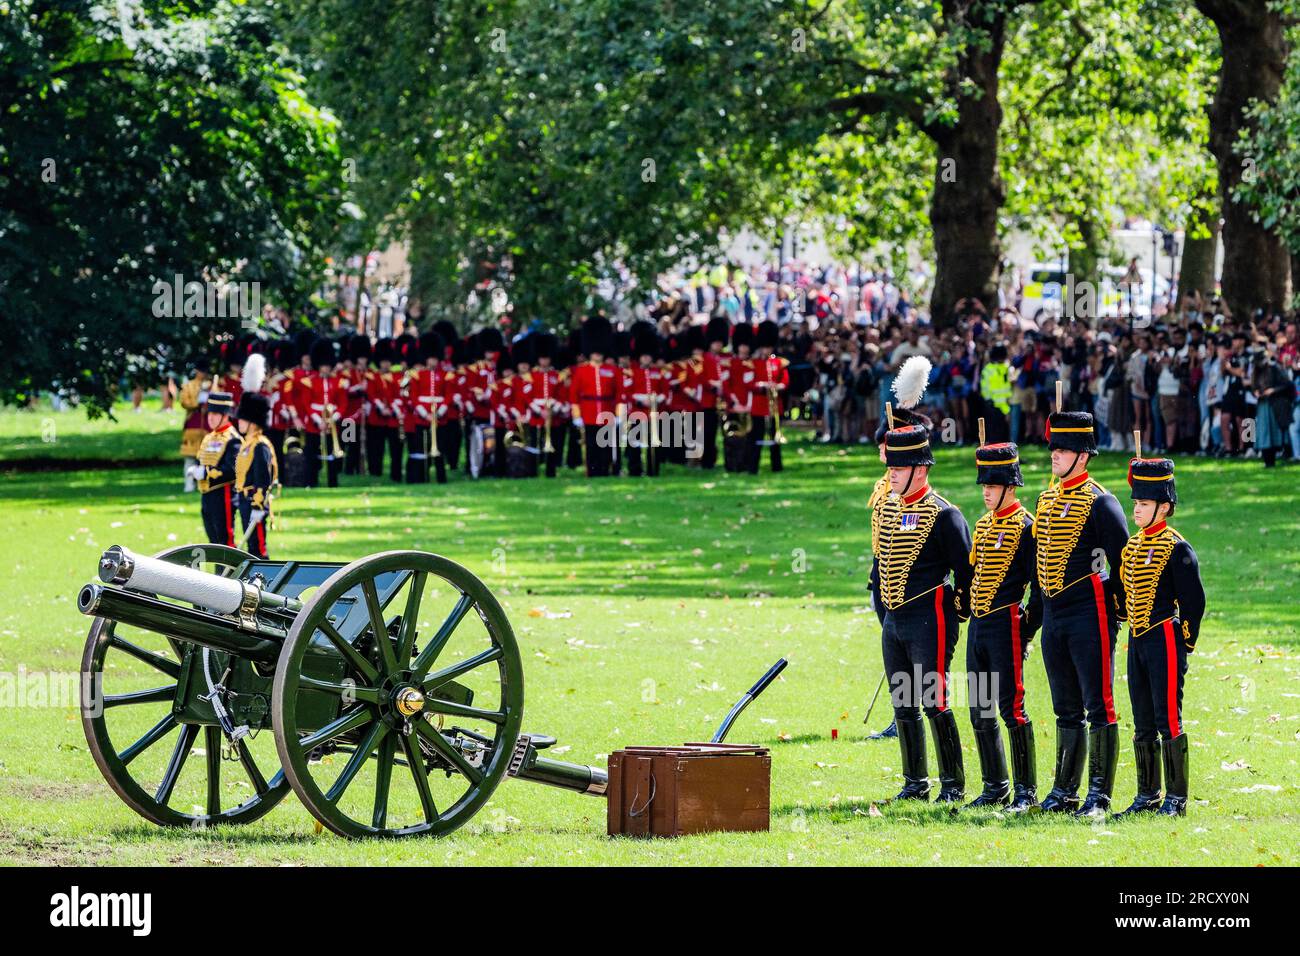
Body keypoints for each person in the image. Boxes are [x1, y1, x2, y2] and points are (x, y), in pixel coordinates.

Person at [1033, 408, 1129, 815]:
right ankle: (1064, 791)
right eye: (1054, 446)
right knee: (1064, 706)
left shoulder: (1101, 503)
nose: (1056, 454)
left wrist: (1116, 610)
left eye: (1065, 448)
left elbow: (1125, 563)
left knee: (1099, 706)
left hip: (1091, 615)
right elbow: (1039, 563)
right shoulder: (1045, 499)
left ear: (1084, 455)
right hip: (1054, 616)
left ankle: (1099, 795)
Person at [870, 423, 973, 803]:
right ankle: (915, 783)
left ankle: (952, 783)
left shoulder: (945, 514)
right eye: (891, 465)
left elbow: (966, 572)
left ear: (921, 469)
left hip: (931, 618)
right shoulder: (887, 508)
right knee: (903, 701)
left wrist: (957, 612)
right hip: (894, 618)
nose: (892, 472)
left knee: (935, 700)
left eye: (900, 466)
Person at [1114, 456, 1205, 818]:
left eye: (1145, 504)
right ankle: (1147, 795)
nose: (1137, 510)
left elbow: (1194, 602)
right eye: (1135, 503)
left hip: (1164, 637)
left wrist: (1183, 641)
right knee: (1142, 719)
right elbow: (1123, 590)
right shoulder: (1133, 545)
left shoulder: (1177, 547)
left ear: (1164, 507)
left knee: (1168, 717)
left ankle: (1176, 798)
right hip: (1137, 639)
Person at [966, 434, 1041, 809]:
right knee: (979, 708)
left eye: (993, 485)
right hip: (978, 627)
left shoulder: (1027, 526)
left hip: (1006, 624)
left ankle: (1026, 792)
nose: (986, 492)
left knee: (1012, 709)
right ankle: (994, 786)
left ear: (1010, 486)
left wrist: (1024, 631)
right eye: (984, 485)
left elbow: (1039, 589)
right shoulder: (982, 526)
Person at [233, 354, 278, 558]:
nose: (239, 423)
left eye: (243, 419)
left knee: (259, 549)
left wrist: (259, 504)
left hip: (254, 502)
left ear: (253, 421)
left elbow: (263, 478)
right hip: (244, 499)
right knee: (251, 548)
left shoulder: (260, 445)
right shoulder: (247, 444)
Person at [187, 389, 240, 546]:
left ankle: (229, 571)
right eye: (209, 413)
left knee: (225, 542)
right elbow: (201, 459)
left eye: (215, 414)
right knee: (213, 542)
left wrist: (205, 473)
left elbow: (232, 471)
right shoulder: (209, 437)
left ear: (225, 415)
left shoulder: (233, 440)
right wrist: (196, 469)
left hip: (224, 495)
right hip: (207, 494)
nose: (210, 417)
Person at [570, 316, 621, 477]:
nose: (597, 354)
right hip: (589, 412)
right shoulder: (581, 370)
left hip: (607, 412)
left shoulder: (613, 370)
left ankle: (605, 471)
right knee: (591, 446)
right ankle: (593, 472)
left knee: (605, 446)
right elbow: (574, 395)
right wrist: (577, 416)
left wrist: (619, 414)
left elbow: (619, 394)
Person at [178, 361, 211, 492]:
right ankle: (189, 484)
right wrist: (198, 401)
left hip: (208, 426)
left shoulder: (212, 386)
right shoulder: (189, 386)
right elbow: (184, 402)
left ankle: (204, 484)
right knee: (190, 457)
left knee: (207, 458)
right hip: (193, 424)